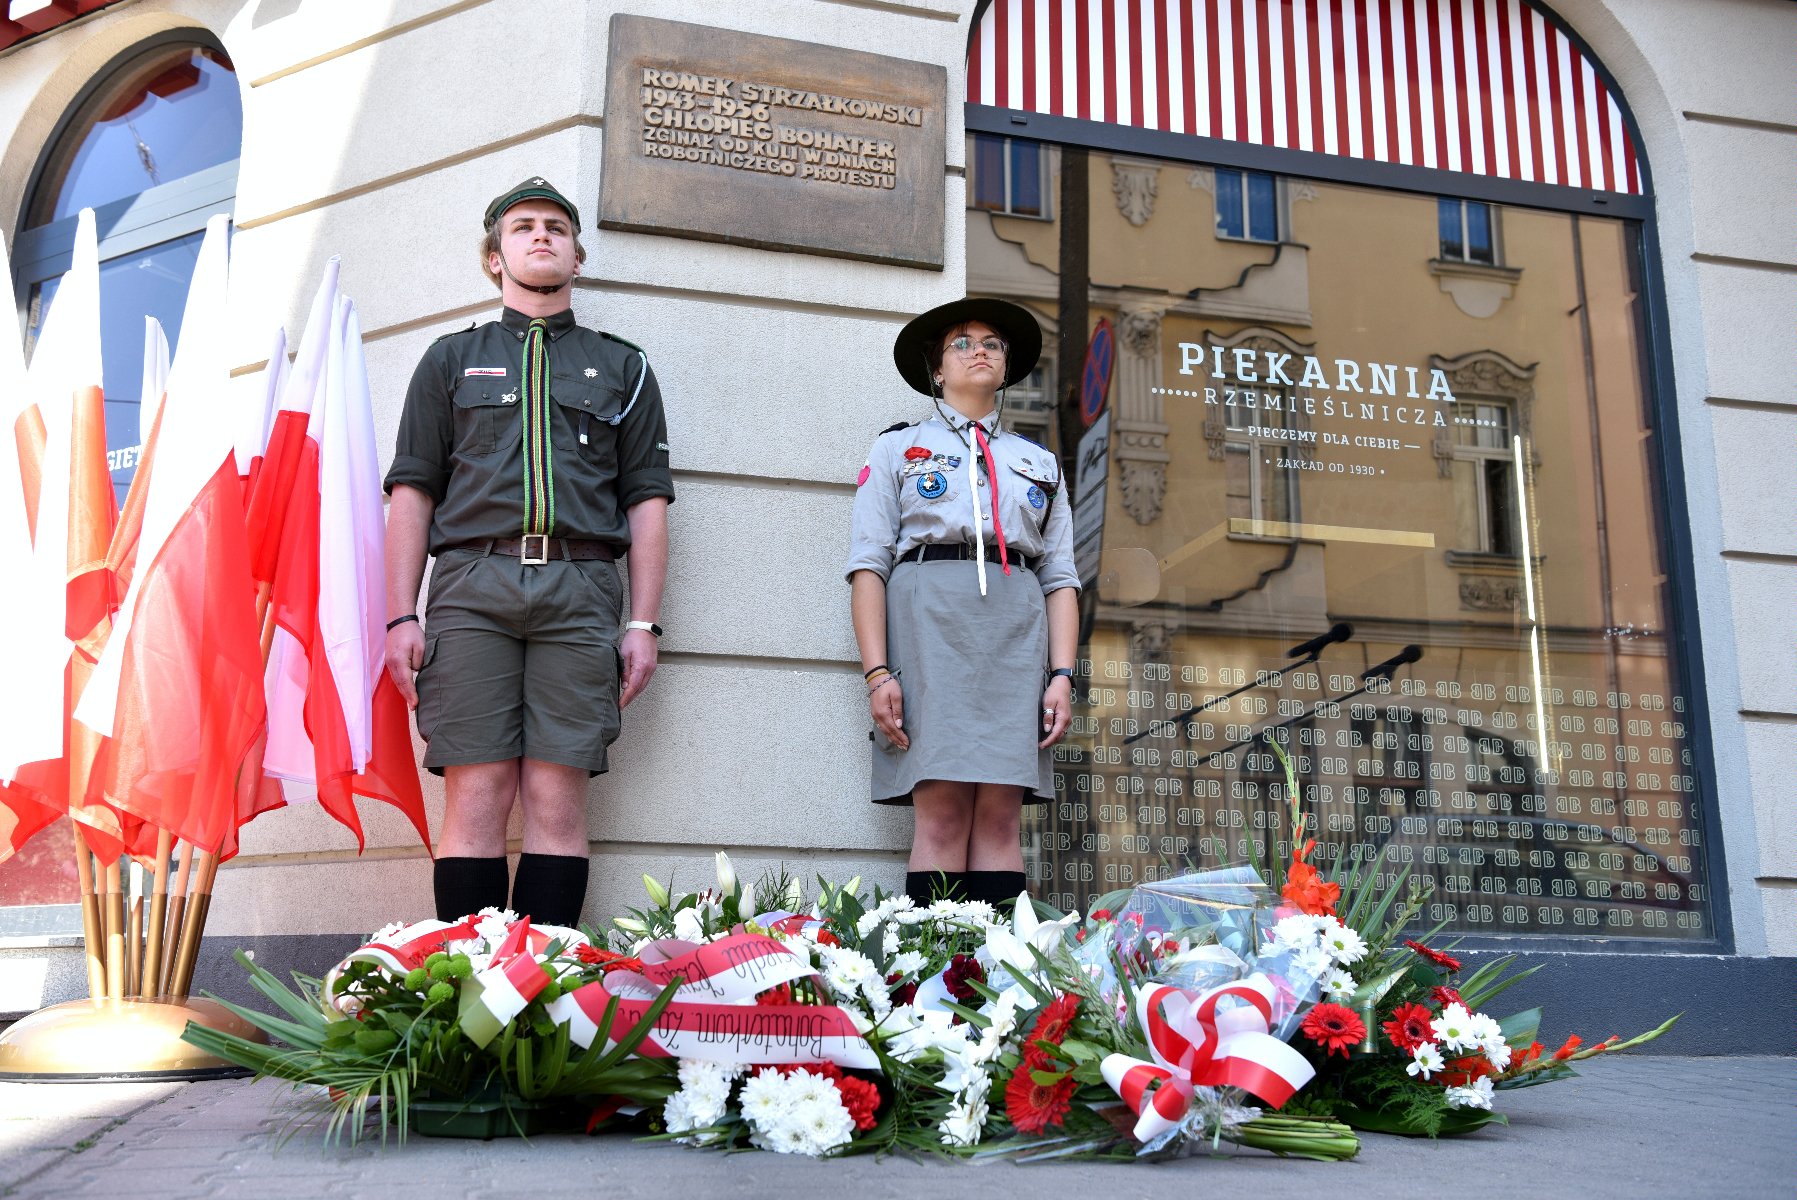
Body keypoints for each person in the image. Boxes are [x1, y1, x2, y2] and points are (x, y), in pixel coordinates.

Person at [383, 177, 673, 926]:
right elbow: (412, 492)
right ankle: (466, 999)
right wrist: (398, 617)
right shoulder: (450, 360)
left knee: (555, 799)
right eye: (522, 227)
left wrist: (643, 623)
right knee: (477, 798)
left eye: (555, 227)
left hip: (580, 588)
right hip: (471, 584)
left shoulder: (624, 367)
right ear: (494, 258)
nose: (540, 236)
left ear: (578, 255)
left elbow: (647, 501)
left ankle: (543, 995)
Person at [846, 298, 1079, 908]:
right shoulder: (898, 449)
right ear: (937, 369)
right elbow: (868, 564)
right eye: (962, 342)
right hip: (929, 625)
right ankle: (931, 986)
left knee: (1001, 819)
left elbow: (1060, 577)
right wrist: (877, 673)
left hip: (1015, 634)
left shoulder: (1040, 463)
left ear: (1006, 368)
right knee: (943, 815)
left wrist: (1062, 676)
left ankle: (995, 989)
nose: (980, 350)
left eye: (993, 344)